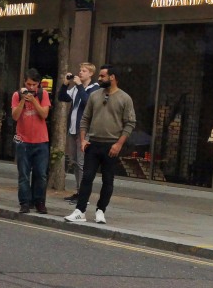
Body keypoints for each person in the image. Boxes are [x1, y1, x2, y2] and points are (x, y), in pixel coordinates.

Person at [66, 65, 136, 225]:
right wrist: (83, 139)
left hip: (111, 145)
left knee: (108, 180)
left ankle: (100, 210)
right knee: (87, 177)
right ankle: (80, 211)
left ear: (112, 77)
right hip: (93, 143)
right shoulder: (94, 95)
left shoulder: (125, 98)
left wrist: (119, 144)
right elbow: (85, 119)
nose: (99, 78)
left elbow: (130, 123)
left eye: (103, 76)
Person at [11, 68, 51, 214]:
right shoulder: (16, 95)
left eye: (34, 85)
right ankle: (25, 203)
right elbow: (15, 116)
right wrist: (22, 100)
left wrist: (34, 100)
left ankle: (39, 201)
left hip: (41, 141)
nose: (31, 88)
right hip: (23, 141)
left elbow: (44, 114)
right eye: (29, 84)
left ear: (38, 84)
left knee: (41, 174)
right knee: (23, 174)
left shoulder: (43, 94)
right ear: (24, 83)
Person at [57, 62, 99, 203]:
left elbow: (88, 102)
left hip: (85, 131)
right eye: (80, 70)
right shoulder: (76, 88)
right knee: (75, 162)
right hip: (73, 129)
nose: (80, 73)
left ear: (91, 74)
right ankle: (78, 191)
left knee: (82, 163)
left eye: (84, 71)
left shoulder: (94, 88)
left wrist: (80, 86)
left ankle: (84, 195)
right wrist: (65, 84)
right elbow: (62, 97)